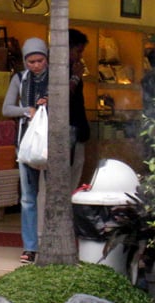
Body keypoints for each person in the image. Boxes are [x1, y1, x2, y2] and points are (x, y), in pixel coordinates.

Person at [2, 37, 49, 265]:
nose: (36, 65)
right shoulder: (20, 79)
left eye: (40, 60)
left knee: (52, 197)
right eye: (31, 61)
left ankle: (50, 241)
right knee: (28, 199)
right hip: (27, 145)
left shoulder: (57, 79)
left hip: (52, 146)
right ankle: (30, 247)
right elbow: (6, 108)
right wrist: (26, 111)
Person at [69, 28, 90, 189]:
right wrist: (76, 77)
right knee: (71, 170)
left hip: (77, 127)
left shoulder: (74, 67)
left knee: (77, 167)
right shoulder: (59, 71)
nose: (80, 56)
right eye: (78, 51)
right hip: (69, 128)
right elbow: (63, 97)